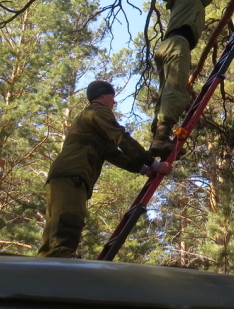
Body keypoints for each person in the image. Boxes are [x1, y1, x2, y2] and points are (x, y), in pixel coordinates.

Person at [37, 80, 172, 258]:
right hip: (72, 175)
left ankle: (44, 269)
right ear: (102, 95)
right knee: (67, 225)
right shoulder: (98, 112)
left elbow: (111, 153)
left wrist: (142, 168)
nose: (113, 102)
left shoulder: (90, 120)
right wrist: (153, 164)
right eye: (112, 97)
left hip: (65, 175)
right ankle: (58, 272)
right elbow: (121, 138)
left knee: (53, 232)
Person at [150, 0, 223, 157]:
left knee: (166, 91)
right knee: (176, 89)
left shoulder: (187, 0)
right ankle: (162, 136)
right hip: (177, 44)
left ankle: (158, 137)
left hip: (168, 45)